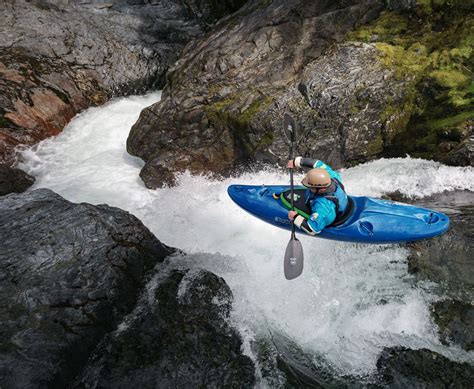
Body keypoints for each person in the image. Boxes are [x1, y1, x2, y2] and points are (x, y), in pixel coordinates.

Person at [287, 157, 349, 235]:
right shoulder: (331, 176)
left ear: (321, 189)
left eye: (310, 187)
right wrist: (296, 161)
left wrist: (295, 217)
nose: (308, 187)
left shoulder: (323, 206)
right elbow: (317, 163)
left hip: (333, 215)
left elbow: (313, 229)